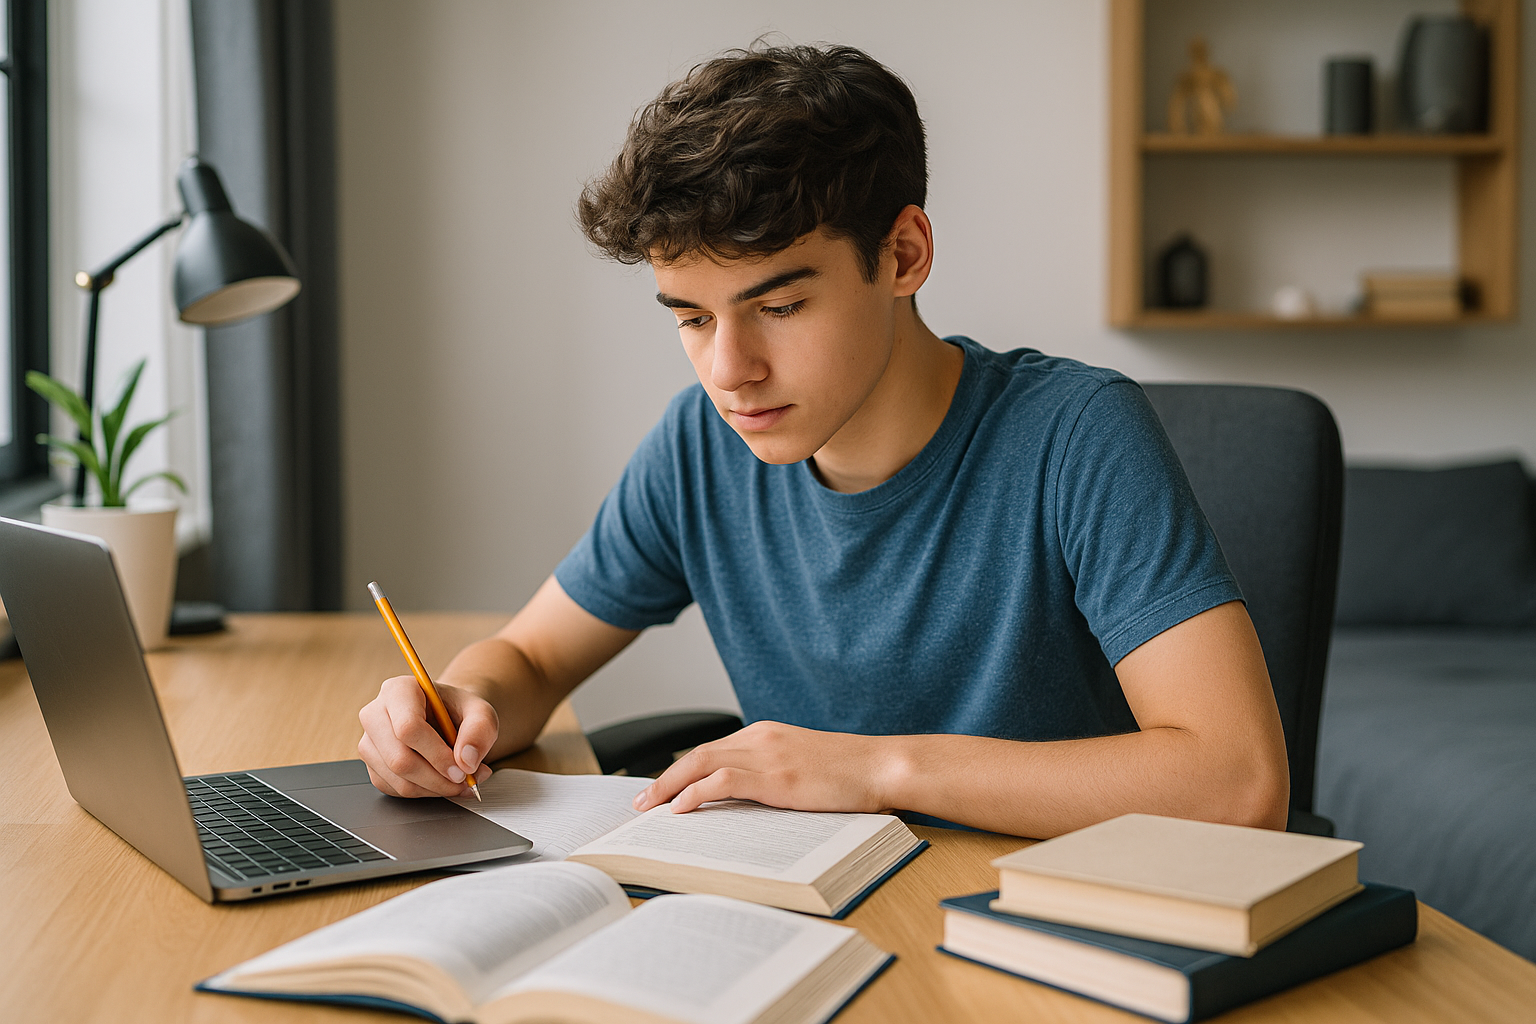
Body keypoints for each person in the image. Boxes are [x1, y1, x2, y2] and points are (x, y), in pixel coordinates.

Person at [357, 43, 1289, 838]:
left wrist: (874, 770)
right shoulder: (701, 446)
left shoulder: (1076, 436)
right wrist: (458, 705)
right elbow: (531, 659)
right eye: (691, 318)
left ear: (903, 255)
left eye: (780, 307)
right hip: (817, 909)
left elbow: (1238, 782)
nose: (730, 371)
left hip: (1038, 921)